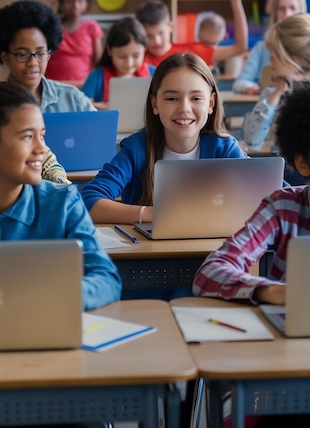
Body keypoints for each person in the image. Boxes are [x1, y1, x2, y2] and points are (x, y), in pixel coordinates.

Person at [193, 71, 310, 428]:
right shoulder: (283, 206)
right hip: (290, 372)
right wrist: (271, 291)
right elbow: (212, 270)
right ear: (303, 163)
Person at [81, 52, 249, 226]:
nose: (184, 108)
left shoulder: (225, 149)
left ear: (211, 104)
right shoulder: (137, 148)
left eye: (196, 98)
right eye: (172, 98)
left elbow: (274, 193)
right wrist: (153, 214)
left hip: (211, 250)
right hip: (147, 252)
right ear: (155, 104)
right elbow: (89, 201)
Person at [0, 83, 121, 311]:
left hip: (45, 329)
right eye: (27, 137)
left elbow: (107, 279)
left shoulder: (63, 202)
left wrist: (55, 297)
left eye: (42, 136)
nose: (42, 149)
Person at [241, 14, 310, 150]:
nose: (270, 61)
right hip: (288, 169)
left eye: (274, 56)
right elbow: (252, 141)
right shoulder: (276, 91)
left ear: (291, 60)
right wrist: (276, 94)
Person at [135, 0, 248, 68]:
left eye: (160, 33)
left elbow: (240, 48)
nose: (156, 41)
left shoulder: (191, 52)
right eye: (149, 36)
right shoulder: (135, 58)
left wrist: (235, 1)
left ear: (171, 27)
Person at [0, 0, 96, 112]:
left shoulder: (72, 98)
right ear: (5, 58)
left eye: (40, 53)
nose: (33, 63)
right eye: (22, 54)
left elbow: (99, 128)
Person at [232, 0, 308, 94]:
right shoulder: (262, 48)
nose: (287, 14)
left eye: (292, 8)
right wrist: (250, 88)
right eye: (281, 9)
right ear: (275, 13)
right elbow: (240, 83)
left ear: (302, 11)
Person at [81, 16, 155, 110]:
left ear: (145, 49)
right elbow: (80, 105)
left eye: (136, 56)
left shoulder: (154, 74)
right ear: (109, 50)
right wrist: (102, 107)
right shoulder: (97, 76)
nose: (129, 63)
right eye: (122, 56)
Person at [46, 0, 104, 87]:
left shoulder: (92, 26)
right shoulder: (51, 27)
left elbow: (99, 62)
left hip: (85, 86)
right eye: (70, 0)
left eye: (80, 1)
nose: (75, 5)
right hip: (54, 86)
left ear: (86, 4)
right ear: (62, 4)